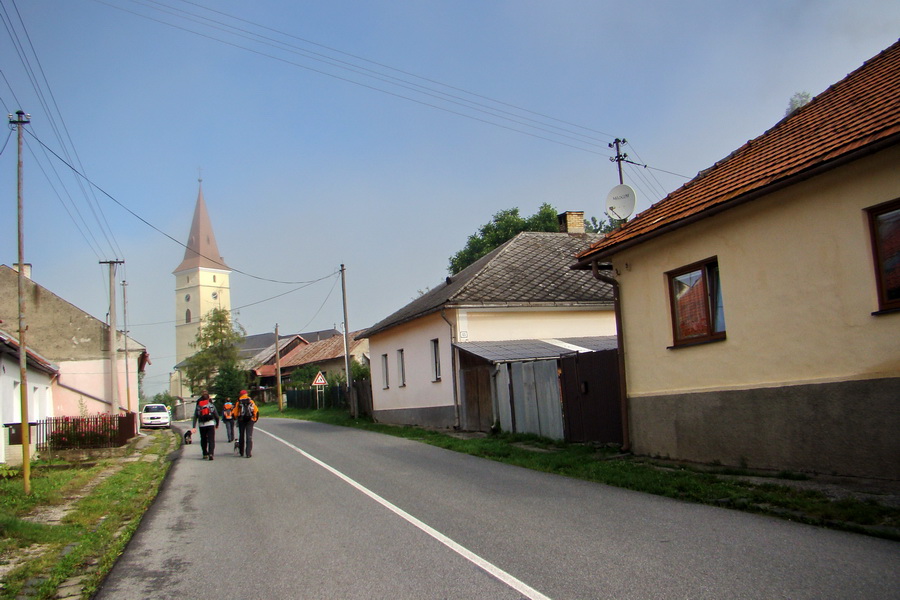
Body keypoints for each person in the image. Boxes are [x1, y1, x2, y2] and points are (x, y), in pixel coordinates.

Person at [192, 391, 220, 460]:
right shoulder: (210, 405)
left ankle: (205, 453)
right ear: (208, 398)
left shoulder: (199, 406)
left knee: (203, 439)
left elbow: (195, 416)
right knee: (211, 440)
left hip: (202, 425)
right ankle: (211, 453)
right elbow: (216, 416)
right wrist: (217, 424)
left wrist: (193, 427)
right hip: (210, 424)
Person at [234, 390, 258, 458]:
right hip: (250, 420)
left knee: (241, 435)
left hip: (241, 420)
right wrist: (254, 419)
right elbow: (256, 410)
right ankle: (248, 453)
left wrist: (236, 418)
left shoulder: (238, 402)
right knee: (249, 436)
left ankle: (241, 451)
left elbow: (235, 413)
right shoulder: (251, 401)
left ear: (240, 394)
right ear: (246, 394)